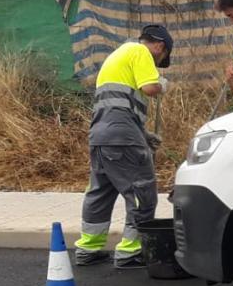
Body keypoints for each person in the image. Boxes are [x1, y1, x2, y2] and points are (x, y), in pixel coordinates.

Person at [74, 24, 173, 269]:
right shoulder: (140, 52)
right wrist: (163, 84)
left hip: (100, 135)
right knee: (142, 192)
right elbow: (150, 88)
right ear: (160, 46)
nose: (157, 64)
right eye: (160, 60)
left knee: (100, 192)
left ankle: (89, 248)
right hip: (121, 136)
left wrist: (143, 134)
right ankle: (132, 251)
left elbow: (117, 107)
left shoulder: (117, 56)